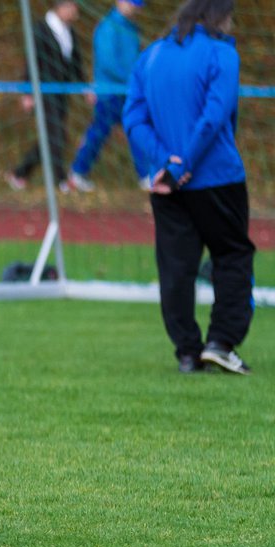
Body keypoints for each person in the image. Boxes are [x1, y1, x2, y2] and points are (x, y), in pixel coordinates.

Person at [123, 0, 255, 374]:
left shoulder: (151, 56)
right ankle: (221, 341)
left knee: (176, 266)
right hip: (217, 178)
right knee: (232, 256)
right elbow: (214, 116)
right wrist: (186, 162)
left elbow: (132, 117)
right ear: (219, 16)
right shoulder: (221, 53)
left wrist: (167, 162)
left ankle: (186, 350)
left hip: (166, 183)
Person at [4, 1, 85, 191]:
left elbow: (75, 63)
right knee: (56, 135)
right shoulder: (40, 29)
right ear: (60, 6)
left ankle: (19, 173)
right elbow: (31, 61)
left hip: (61, 93)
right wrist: (27, 93)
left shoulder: (70, 32)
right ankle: (61, 181)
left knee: (50, 137)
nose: (75, 10)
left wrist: (83, 87)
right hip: (43, 92)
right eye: (72, 6)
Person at [68, 1, 146, 192]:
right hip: (110, 92)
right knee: (99, 131)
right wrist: (134, 79)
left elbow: (136, 58)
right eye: (131, 3)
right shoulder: (108, 26)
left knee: (135, 129)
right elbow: (108, 62)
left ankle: (146, 175)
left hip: (127, 91)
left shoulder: (131, 28)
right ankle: (77, 172)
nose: (135, 7)